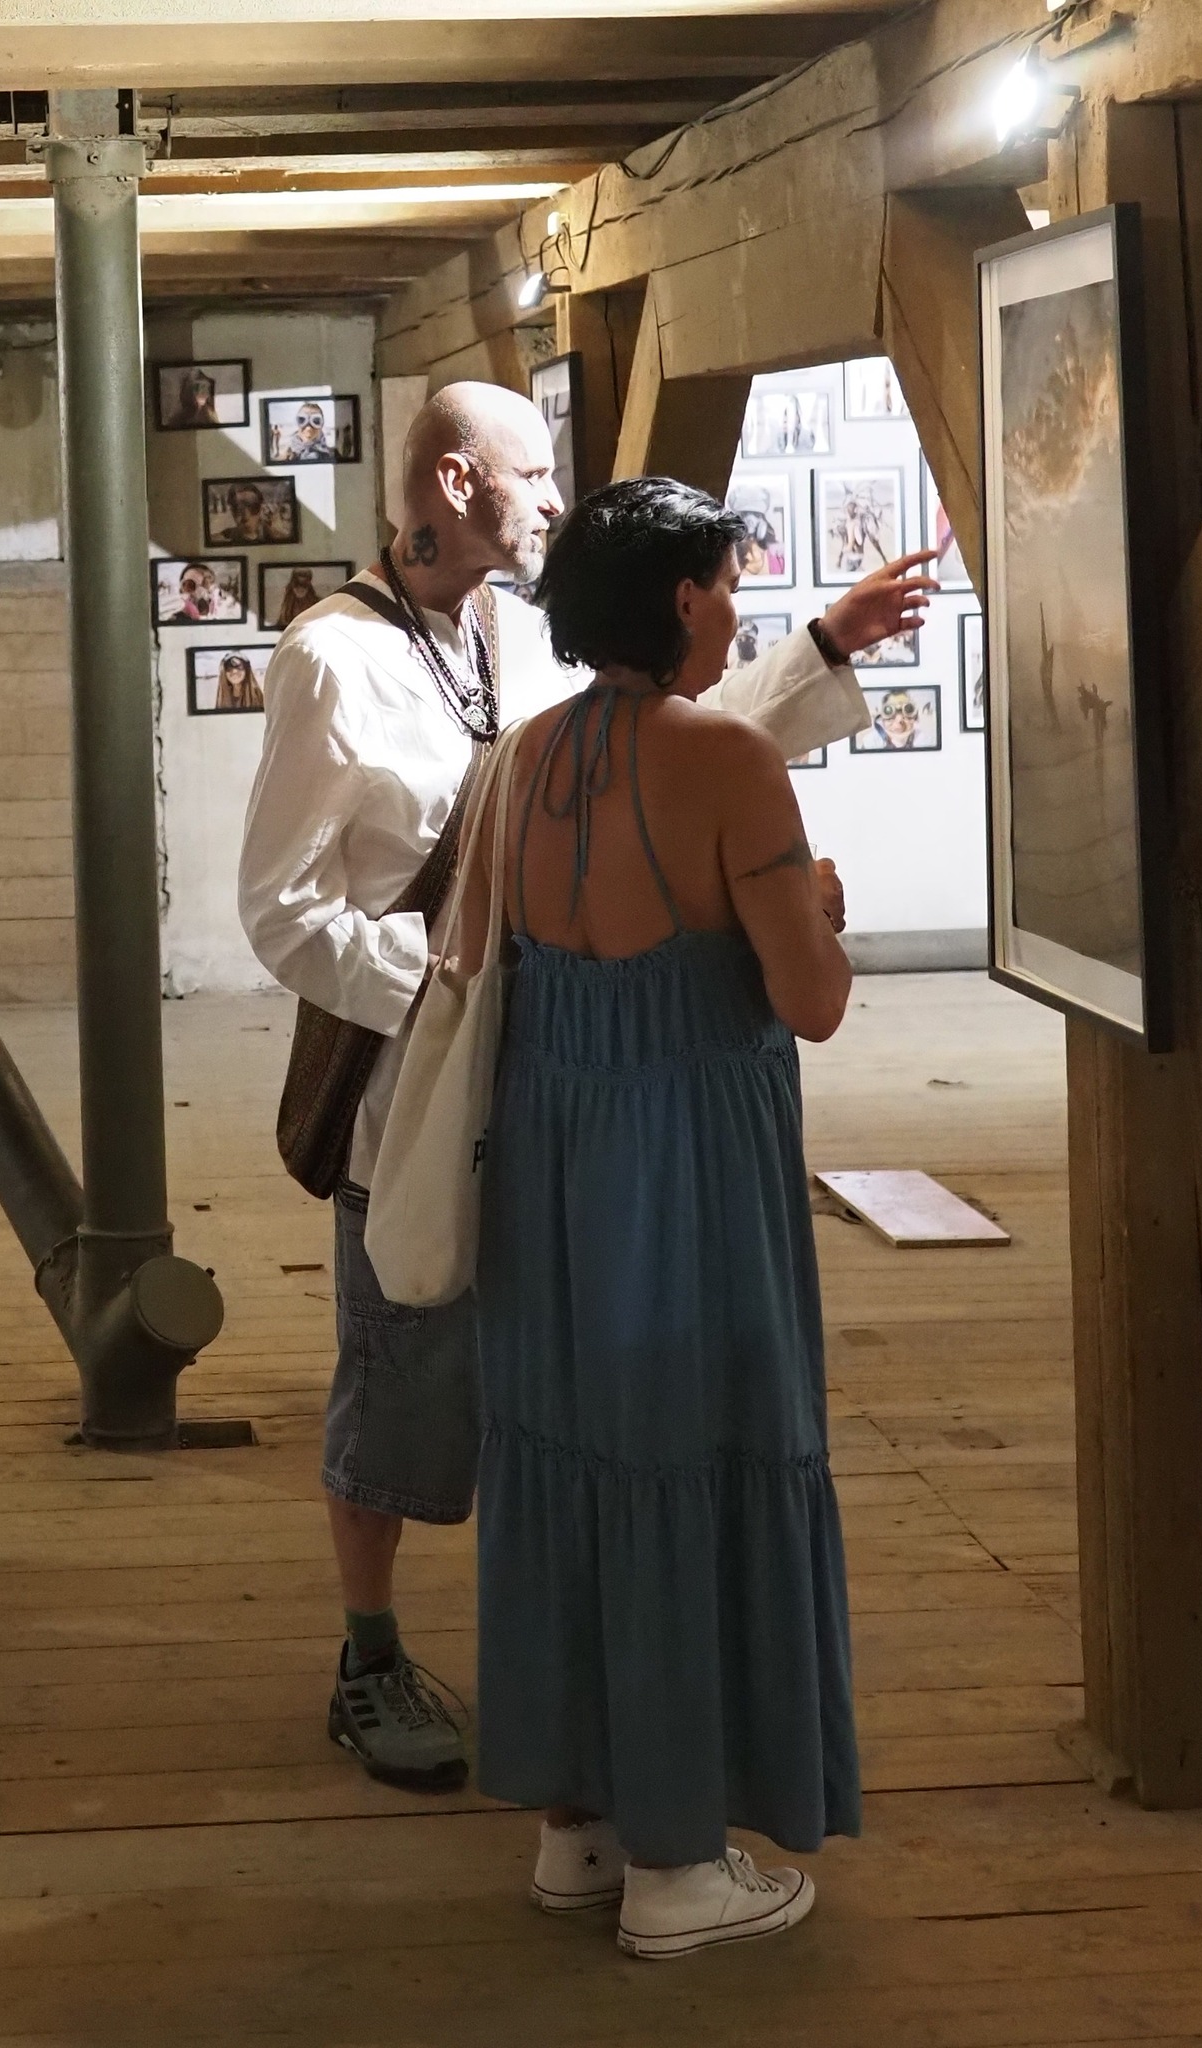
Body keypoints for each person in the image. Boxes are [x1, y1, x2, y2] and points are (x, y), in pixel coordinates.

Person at [238, 380, 935, 1797]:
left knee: (552, 1384)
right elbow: (282, 907)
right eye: (534, 472)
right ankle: (368, 1655)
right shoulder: (332, 660)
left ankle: (558, 1675)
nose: (556, 497)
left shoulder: (511, 634)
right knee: (401, 1362)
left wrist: (818, 646)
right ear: (454, 483)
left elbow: (657, 743)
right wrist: (455, 995)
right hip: (420, 1083)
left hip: (554, 1089)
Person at [472, 477, 859, 1958]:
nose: (738, 612)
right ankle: (681, 1867)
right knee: (690, 1455)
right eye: (728, 585)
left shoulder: (524, 755)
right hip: (688, 1161)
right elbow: (808, 1002)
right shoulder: (726, 759)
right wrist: (818, 907)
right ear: (685, 599)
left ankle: (577, 1828)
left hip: (553, 1159)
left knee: (574, 1458)